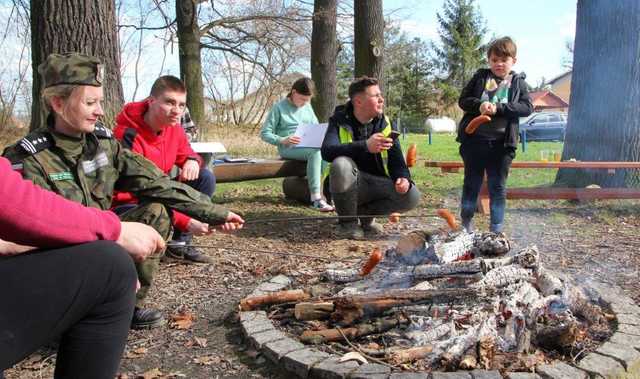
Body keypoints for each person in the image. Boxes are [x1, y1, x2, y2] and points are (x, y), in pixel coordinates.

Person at [3, 53, 244, 330]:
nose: (100, 111)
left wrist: (215, 213)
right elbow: (25, 235)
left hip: (101, 244)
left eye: (101, 102)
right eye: (90, 103)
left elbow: (157, 183)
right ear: (58, 103)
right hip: (57, 260)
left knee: (156, 212)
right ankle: (64, 318)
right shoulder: (28, 158)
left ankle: (125, 307)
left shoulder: (105, 145)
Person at [0, 155, 165, 378]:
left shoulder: (103, 144)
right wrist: (113, 231)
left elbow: (159, 184)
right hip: (63, 223)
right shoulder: (32, 154)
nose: (98, 116)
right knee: (110, 268)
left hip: (65, 226)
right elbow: (14, 202)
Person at [113, 76, 216, 264]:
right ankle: (138, 259)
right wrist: (187, 221)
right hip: (130, 202)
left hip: (159, 190)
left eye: (181, 105)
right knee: (155, 207)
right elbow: (141, 190)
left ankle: (179, 245)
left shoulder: (174, 128)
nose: (177, 111)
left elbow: (188, 153)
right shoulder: (127, 136)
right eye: (170, 102)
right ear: (152, 101)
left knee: (204, 177)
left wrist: (192, 160)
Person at [321, 76, 420, 239]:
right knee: (341, 164)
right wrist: (365, 146)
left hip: (376, 183)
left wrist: (403, 178)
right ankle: (348, 224)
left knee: (412, 196)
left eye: (381, 95)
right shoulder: (338, 120)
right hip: (348, 185)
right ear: (358, 101)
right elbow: (327, 151)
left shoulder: (386, 123)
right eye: (376, 96)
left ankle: (366, 217)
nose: (382, 99)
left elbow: (397, 162)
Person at [456, 36, 533, 233]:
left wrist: (499, 108)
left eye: (503, 60)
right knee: (471, 182)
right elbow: (463, 100)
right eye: (494, 60)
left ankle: (496, 229)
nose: (498, 64)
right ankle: (466, 224)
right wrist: (479, 105)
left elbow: (526, 107)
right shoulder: (481, 77)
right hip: (474, 141)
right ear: (488, 60)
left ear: (513, 61)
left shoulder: (518, 82)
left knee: (497, 186)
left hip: (502, 145)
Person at [260, 77, 334, 211]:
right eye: (302, 99)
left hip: (308, 145)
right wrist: (282, 140)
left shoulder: (307, 106)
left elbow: (315, 126)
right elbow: (265, 133)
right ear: (293, 92)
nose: (305, 103)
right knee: (315, 153)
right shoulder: (279, 108)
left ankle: (322, 191)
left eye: (308, 100)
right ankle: (316, 199)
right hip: (288, 147)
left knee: (327, 152)